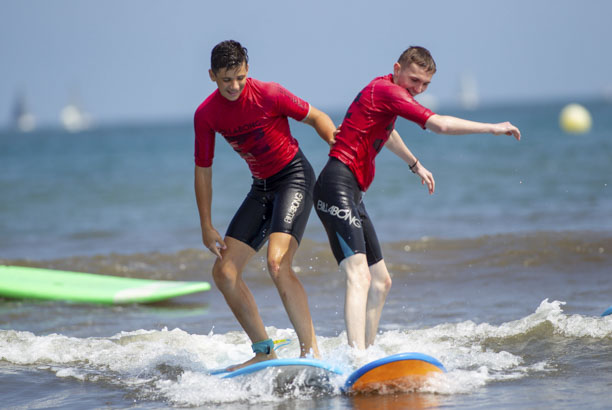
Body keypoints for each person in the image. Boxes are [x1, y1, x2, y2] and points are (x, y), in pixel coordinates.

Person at [314, 46, 521, 350]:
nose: (418, 90)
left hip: (353, 193)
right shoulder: (387, 90)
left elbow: (386, 132)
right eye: (414, 80)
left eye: (425, 85)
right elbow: (441, 125)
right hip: (336, 185)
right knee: (359, 276)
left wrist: (414, 164)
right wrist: (492, 127)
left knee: (382, 282)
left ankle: (367, 355)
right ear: (397, 68)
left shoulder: (384, 92)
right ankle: (355, 358)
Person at [194, 40, 336, 370]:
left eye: (240, 77)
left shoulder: (269, 93)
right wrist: (205, 224)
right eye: (227, 79)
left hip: (295, 178)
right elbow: (203, 171)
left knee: (277, 263)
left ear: (247, 71)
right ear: (212, 76)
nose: (235, 86)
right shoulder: (206, 115)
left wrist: (333, 139)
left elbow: (316, 117)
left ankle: (311, 352)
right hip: (262, 188)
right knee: (224, 272)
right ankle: (264, 350)